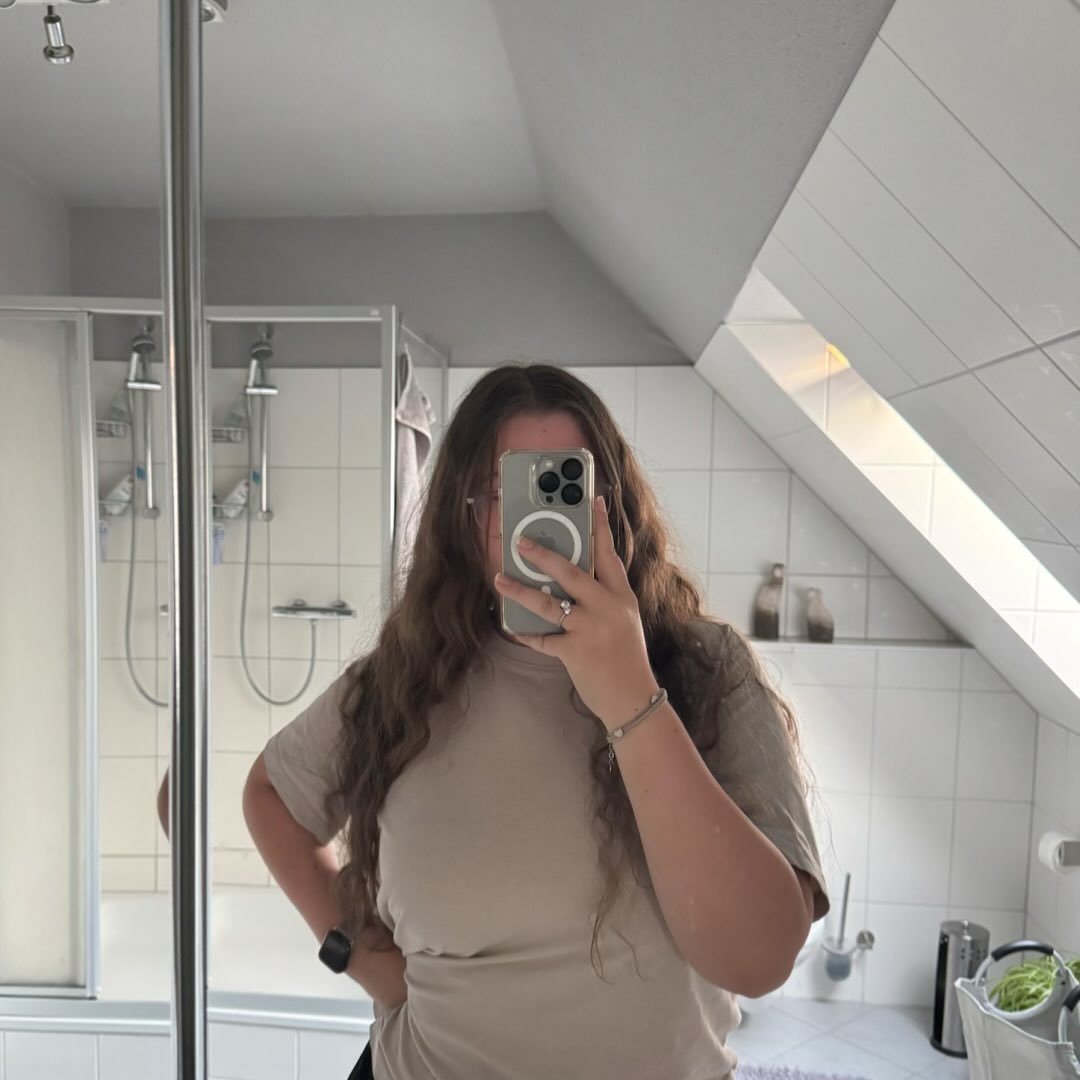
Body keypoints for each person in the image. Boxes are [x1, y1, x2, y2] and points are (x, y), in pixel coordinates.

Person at [160, 362, 830, 1080]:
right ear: (467, 517)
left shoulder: (705, 670)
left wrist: (632, 699)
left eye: (566, 486)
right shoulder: (405, 678)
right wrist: (361, 957)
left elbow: (759, 961)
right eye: (508, 492)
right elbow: (266, 797)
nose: (538, 524)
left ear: (613, 508)